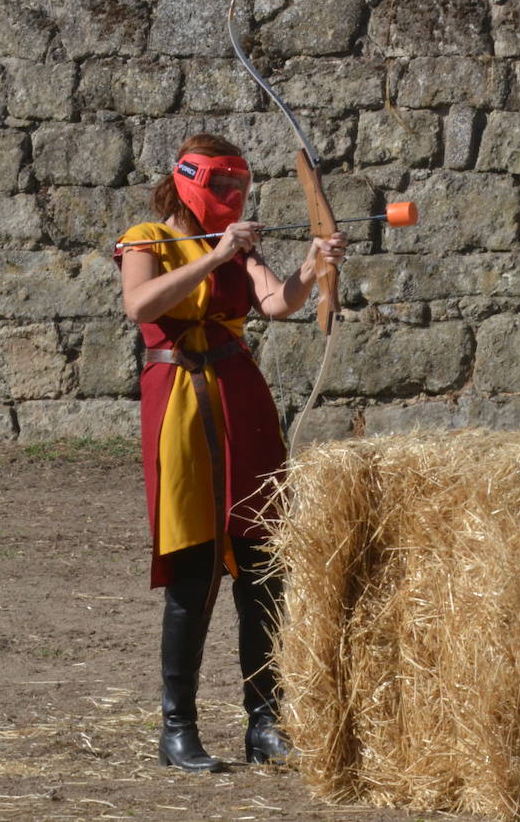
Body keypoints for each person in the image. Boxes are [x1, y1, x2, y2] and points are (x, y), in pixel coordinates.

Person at [115, 133, 348, 772]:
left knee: (262, 566)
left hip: (242, 398)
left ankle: (264, 723)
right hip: (181, 402)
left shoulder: (238, 248)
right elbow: (142, 303)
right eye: (219, 186)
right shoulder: (148, 238)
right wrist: (216, 257)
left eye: (237, 186)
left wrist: (311, 265)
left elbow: (277, 304)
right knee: (194, 568)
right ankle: (177, 728)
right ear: (189, 180)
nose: (230, 196)